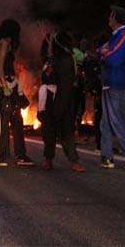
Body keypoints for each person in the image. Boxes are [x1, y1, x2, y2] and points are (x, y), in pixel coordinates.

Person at [99, 6, 125, 170]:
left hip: (118, 83)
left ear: (116, 18)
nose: (109, 18)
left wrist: (103, 53)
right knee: (106, 122)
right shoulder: (117, 36)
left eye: (111, 15)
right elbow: (102, 50)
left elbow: (112, 57)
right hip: (110, 82)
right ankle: (107, 156)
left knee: (117, 121)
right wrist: (103, 52)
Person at [0, 19, 34, 167]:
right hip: (2, 85)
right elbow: (0, 67)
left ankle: (21, 155)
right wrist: (5, 86)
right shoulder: (3, 44)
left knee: (17, 119)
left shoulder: (4, 44)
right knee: (4, 118)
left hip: (9, 84)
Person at [38, 32, 85, 171]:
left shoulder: (66, 60)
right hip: (49, 100)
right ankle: (48, 159)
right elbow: (43, 57)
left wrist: (58, 108)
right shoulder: (53, 58)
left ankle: (74, 161)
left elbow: (65, 86)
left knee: (66, 131)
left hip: (62, 100)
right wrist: (45, 42)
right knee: (48, 132)